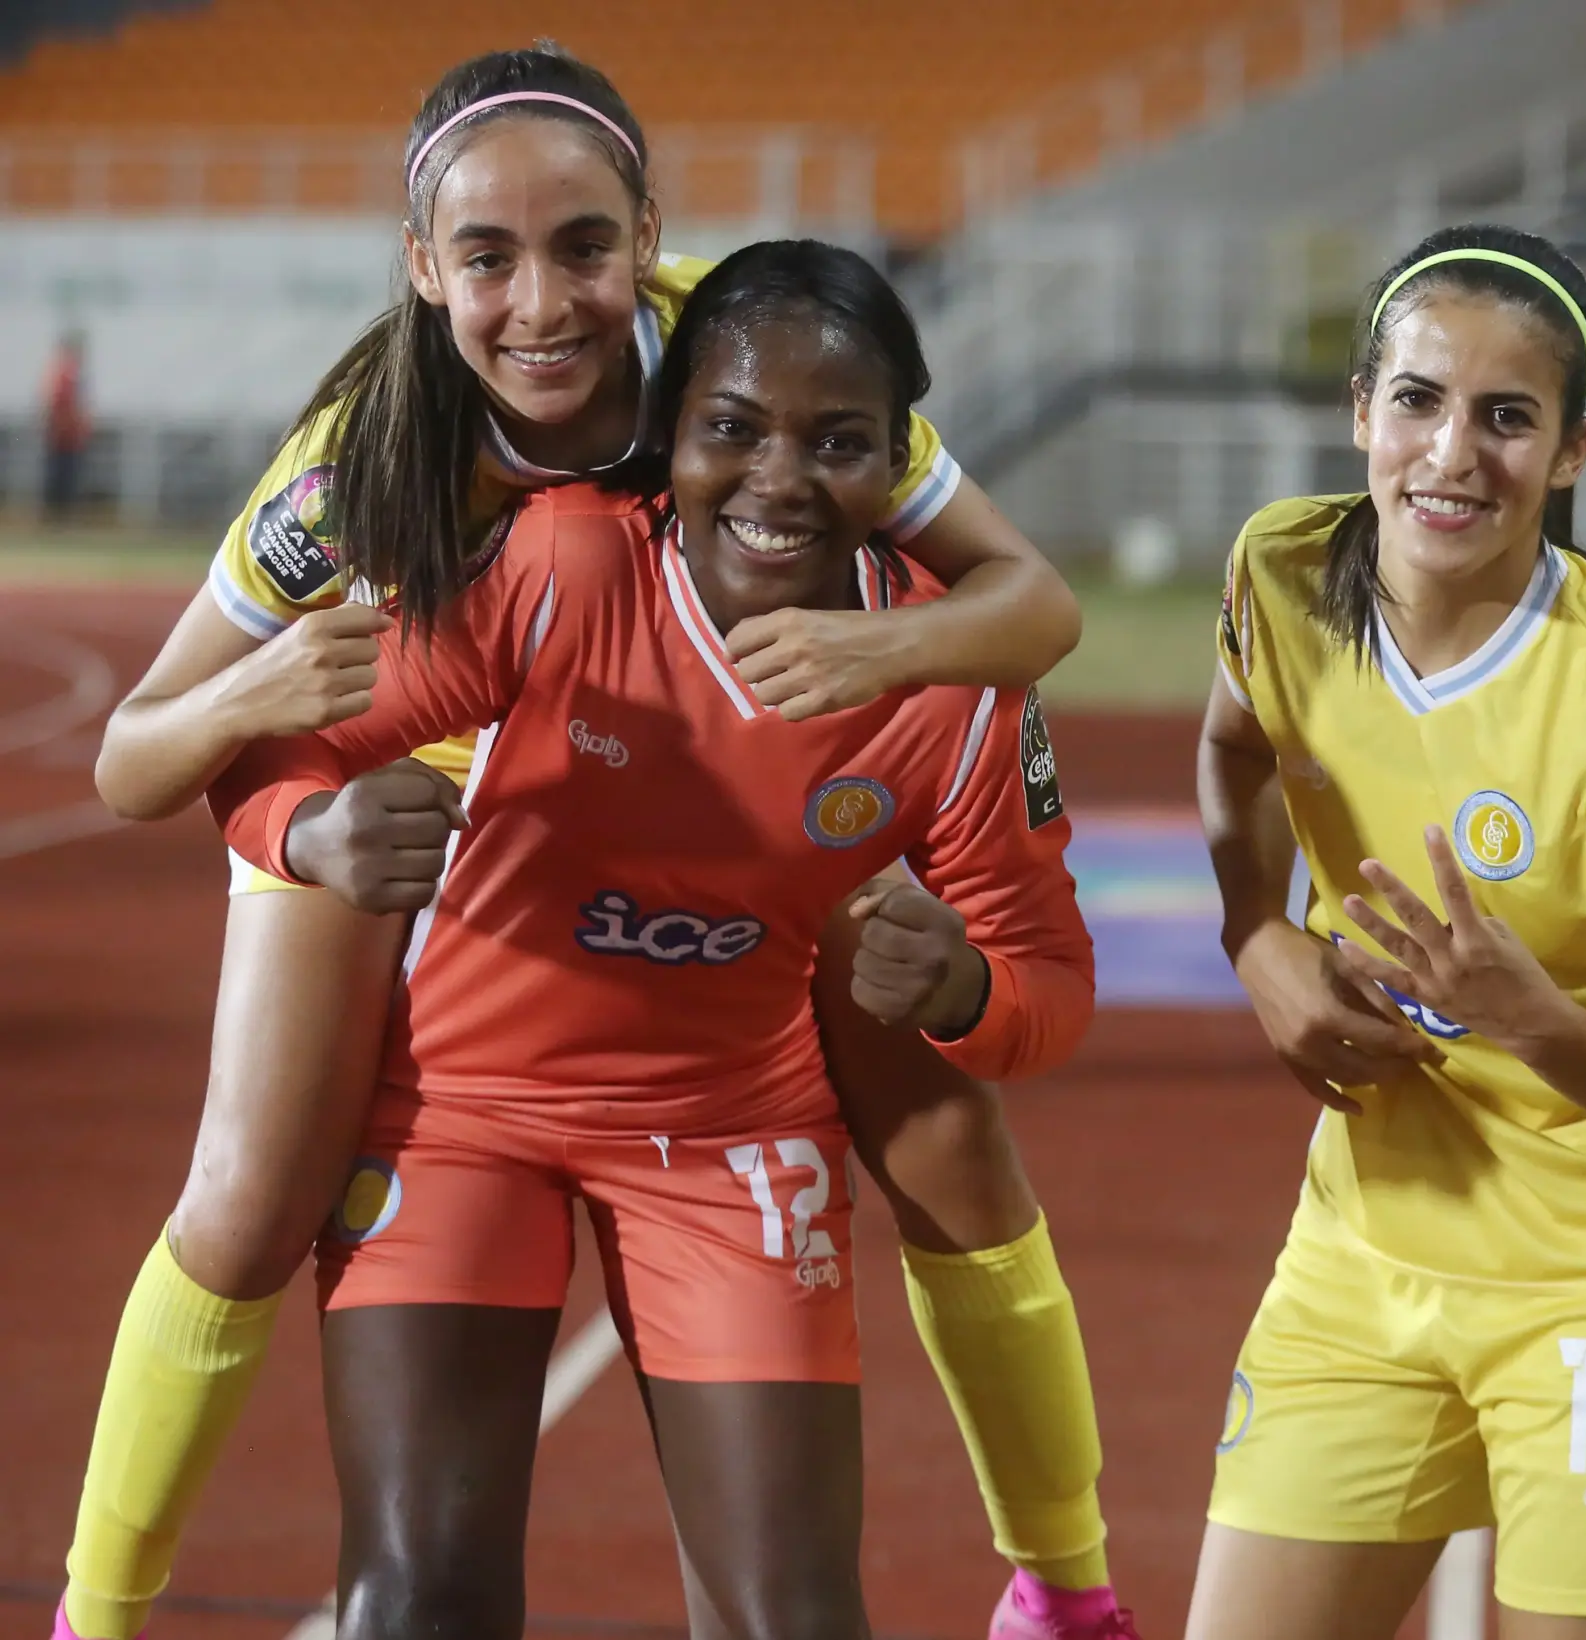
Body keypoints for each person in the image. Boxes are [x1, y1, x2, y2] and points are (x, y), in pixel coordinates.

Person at [63, 46, 1135, 1640]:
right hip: (399, 757)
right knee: (251, 1193)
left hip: (709, 704)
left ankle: (1066, 1589)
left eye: (583, 247)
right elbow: (133, 757)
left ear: (647, 235)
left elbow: (1032, 605)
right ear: (423, 268)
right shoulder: (361, 465)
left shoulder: (762, 362)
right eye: (486, 258)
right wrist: (279, 750)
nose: (542, 305)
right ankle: (93, 1612)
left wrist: (869, 657)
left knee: (948, 1141)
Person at [1188, 224, 1586, 1640]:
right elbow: (1235, 752)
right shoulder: (1279, 572)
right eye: (1419, 401)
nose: (1452, 454)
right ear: (1361, 411)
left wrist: (1528, 1016)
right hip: (1368, 1242)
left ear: (1571, 452)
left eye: (1508, 417)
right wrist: (1256, 933)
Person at [42, 329, 89, 522]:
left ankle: (60, 515)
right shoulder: (65, 376)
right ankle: (57, 516)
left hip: (69, 436)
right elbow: (58, 406)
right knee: (62, 476)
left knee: (65, 476)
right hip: (64, 436)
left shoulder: (70, 375)